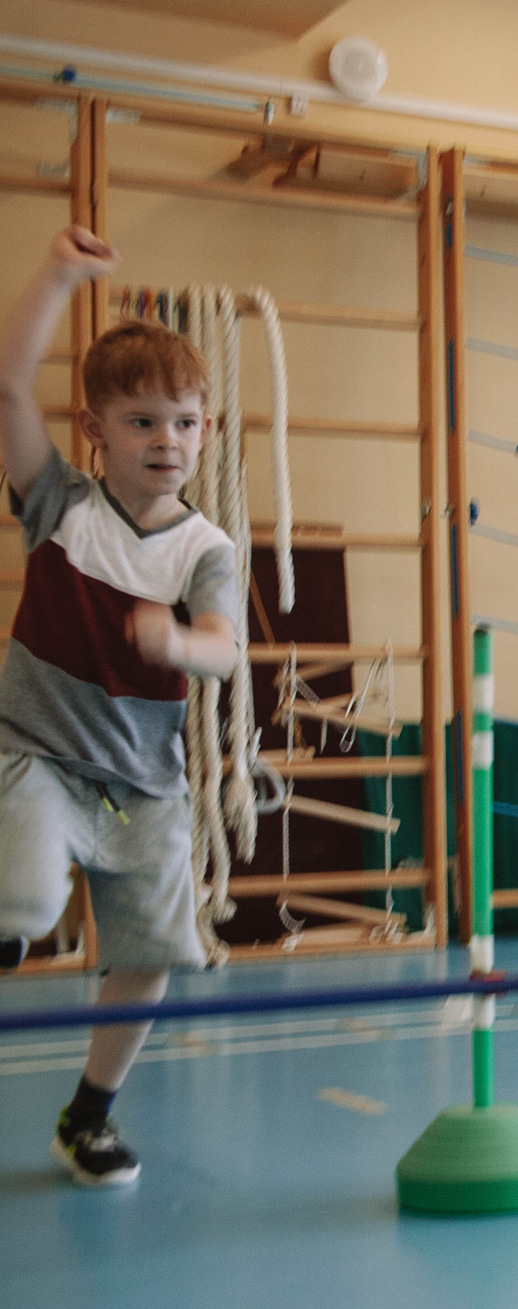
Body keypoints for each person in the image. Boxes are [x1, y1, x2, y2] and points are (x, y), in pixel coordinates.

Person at [0, 229, 242, 1187]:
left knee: (151, 951)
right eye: (142, 422)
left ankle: (89, 1114)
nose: (166, 441)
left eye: (184, 422)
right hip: (39, 754)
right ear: (95, 429)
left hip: (142, 786)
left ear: (205, 431)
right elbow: (9, 387)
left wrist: (179, 644)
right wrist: (58, 274)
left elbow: (224, 645)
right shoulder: (60, 505)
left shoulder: (204, 550)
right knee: (25, 902)